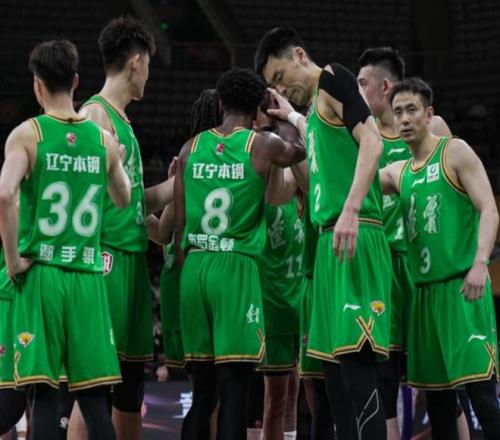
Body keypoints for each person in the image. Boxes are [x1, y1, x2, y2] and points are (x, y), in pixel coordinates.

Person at [255, 27, 391, 438]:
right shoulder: (314, 111)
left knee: (358, 377)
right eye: (274, 84)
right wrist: (290, 115)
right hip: (329, 245)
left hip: (355, 233)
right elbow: (320, 133)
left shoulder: (333, 76)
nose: (282, 87)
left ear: (300, 55)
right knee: (333, 385)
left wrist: (351, 208)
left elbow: (372, 142)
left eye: (281, 77)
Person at [0, 39, 131, 440]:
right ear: (76, 81)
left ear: (36, 85)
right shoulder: (103, 140)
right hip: (88, 276)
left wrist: (13, 260)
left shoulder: (27, 134)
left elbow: (5, 194)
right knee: (93, 402)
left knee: (42, 394)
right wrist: (117, 159)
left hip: (44, 276)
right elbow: (123, 199)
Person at [174, 67, 306, 439]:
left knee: (202, 396)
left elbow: (179, 226)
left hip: (195, 265)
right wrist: (283, 114)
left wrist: (189, 270)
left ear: (220, 104)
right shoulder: (261, 144)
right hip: (235, 267)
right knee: (234, 394)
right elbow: (299, 151)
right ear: (257, 108)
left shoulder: (190, 148)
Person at [380, 77, 500, 439]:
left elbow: (489, 209)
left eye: (412, 110)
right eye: (398, 112)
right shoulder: (399, 173)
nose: (404, 119)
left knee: (481, 394)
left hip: (462, 288)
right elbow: (353, 178)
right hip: (422, 298)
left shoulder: (454, 151)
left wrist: (480, 262)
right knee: (439, 405)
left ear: (429, 114)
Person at [75, 16, 171, 439]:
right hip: (106, 262)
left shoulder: (122, 122)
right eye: (148, 65)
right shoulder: (95, 115)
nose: (149, 74)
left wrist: (178, 184)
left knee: (131, 388)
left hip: (131, 260)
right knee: (95, 386)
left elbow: (131, 205)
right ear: (137, 61)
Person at [357, 46, 454, 439]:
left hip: (424, 266)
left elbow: (452, 194)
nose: (357, 91)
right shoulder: (363, 138)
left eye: (363, 83)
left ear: (385, 86)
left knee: (444, 376)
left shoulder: (436, 129)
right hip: (383, 266)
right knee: (384, 374)